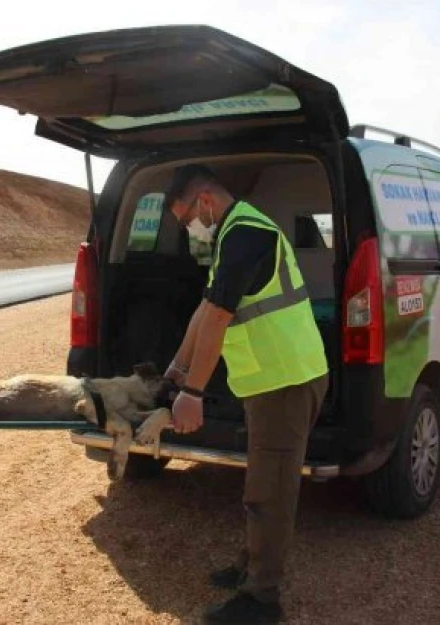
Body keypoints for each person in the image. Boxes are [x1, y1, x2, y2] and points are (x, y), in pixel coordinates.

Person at [161, 165, 330, 625]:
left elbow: (217, 318)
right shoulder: (232, 234)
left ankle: (262, 599)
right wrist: (176, 369)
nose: (188, 230)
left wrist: (193, 391)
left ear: (205, 202)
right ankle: (251, 565)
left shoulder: (246, 234)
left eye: (186, 220)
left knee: (269, 493)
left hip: (287, 382)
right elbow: (205, 309)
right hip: (270, 381)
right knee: (261, 481)